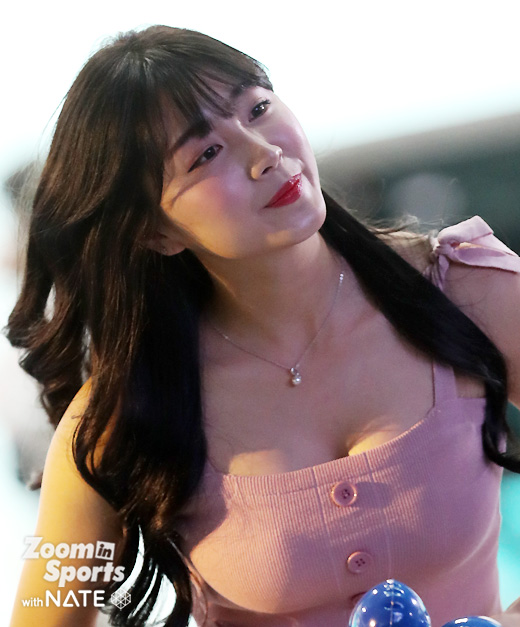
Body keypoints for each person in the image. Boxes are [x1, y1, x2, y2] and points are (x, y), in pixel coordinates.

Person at [6, 25, 520, 627]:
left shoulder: (465, 289)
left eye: (257, 108)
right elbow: (43, 616)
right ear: (154, 231)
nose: (263, 153)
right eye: (206, 154)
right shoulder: (123, 415)